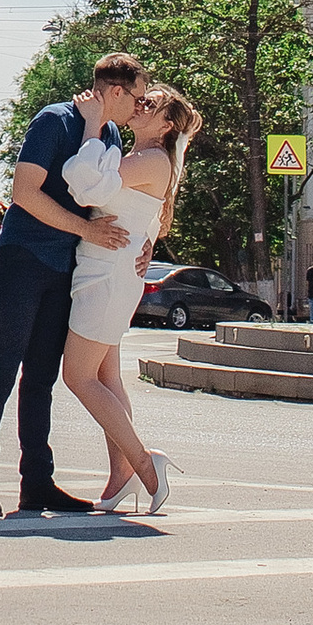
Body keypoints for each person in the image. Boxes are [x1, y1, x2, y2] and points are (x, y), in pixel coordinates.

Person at [0, 54, 146, 519]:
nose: (140, 108)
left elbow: (110, 201)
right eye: (138, 98)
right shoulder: (55, 119)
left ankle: (37, 485)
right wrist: (85, 231)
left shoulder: (106, 134)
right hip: (25, 257)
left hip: (66, 266)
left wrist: (144, 245)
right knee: (3, 366)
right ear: (117, 91)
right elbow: (25, 192)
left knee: (42, 376)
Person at [60, 85, 200, 514]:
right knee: (107, 377)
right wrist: (147, 242)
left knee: (78, 377)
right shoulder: (145, 158)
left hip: (108, 274)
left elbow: (89, 188)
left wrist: (90, 122)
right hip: (108, 266)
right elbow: (148, 218)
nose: (142, 104)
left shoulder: (151, 159)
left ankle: (145, 464)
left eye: (152, 104)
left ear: (166, 125)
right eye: (143, 98)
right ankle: (121, 476)